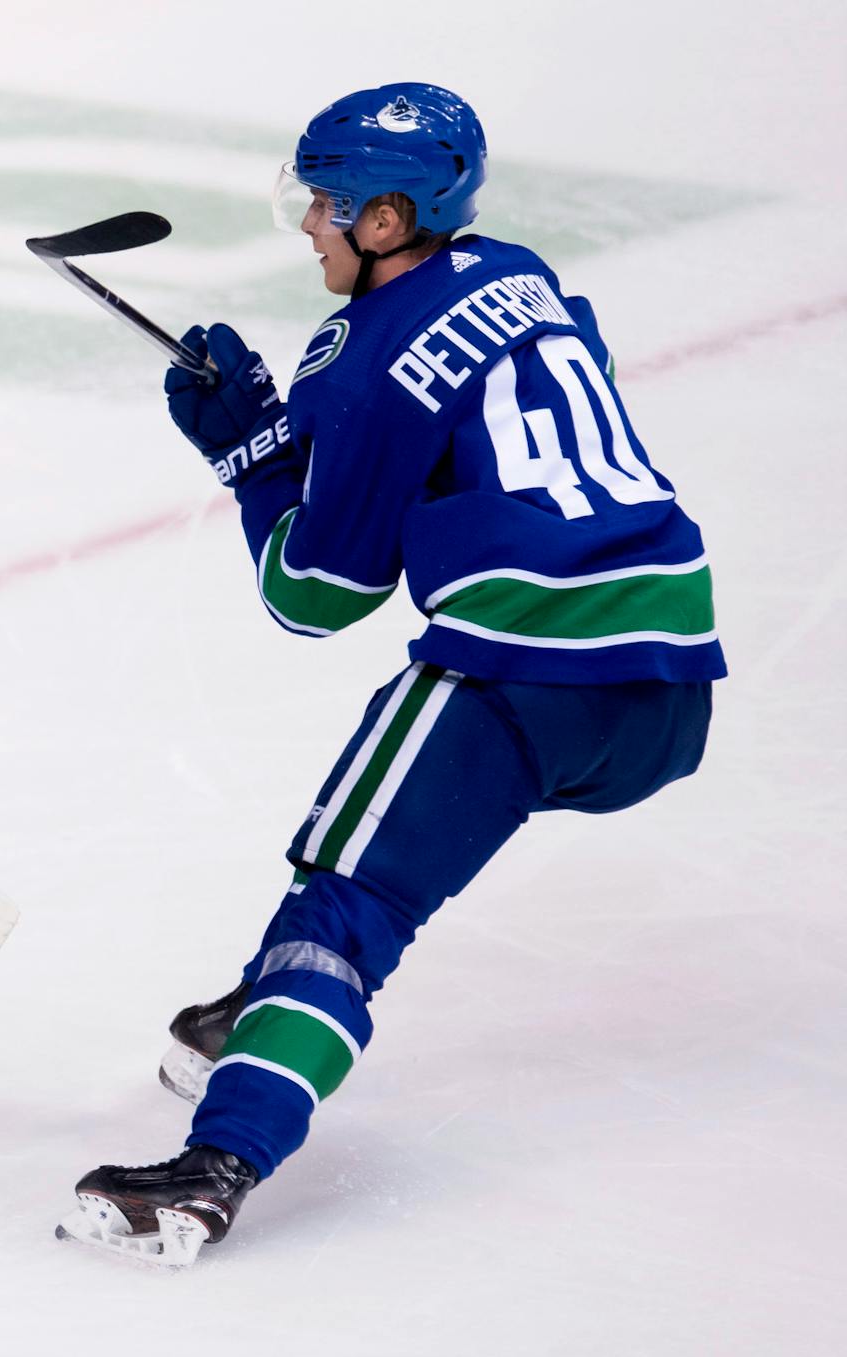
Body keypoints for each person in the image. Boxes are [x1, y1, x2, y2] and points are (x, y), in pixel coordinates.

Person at [58, 84, 722, 1266]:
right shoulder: (519, 271)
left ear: (386, 220)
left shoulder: (359, 362)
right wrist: (313, 435)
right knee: (384, 853)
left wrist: (255, 461)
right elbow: (473, 411)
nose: (309, 224)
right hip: (671, 679)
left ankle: (218, 1164)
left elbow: (316, 594)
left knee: (347, 903)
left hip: (526, 668)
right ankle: (262, 1013)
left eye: (328, 204)